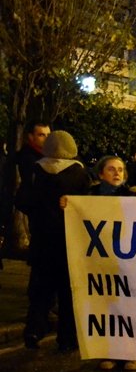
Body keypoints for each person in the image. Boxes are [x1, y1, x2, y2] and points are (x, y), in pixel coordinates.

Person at [63, 156, 136, 370]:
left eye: (120, 170)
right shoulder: (89, 197)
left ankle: (132, 352)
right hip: (101, 263)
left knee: (130, 306)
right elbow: (77, 217)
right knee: (106, 306)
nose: (117, 173)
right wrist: (68, 204)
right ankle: (109, 351)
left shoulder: (133, 196)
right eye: (111, 169)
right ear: (101, 173)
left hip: (128, 262)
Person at [20, 130, 91, 351]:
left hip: (42, 240)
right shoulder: (79, 173)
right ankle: (67, 338)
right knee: (67, 291)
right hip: (68, 241)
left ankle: (34, 329)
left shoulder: (35, 171)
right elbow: (88, 205)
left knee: (40, 290)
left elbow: (22, 201)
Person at [3, 121, 50, 259]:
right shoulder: (28, 157)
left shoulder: (46, 155)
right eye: (42, 135)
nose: (47, 138)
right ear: (31, 137)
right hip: (35, 206)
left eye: (48, 134)